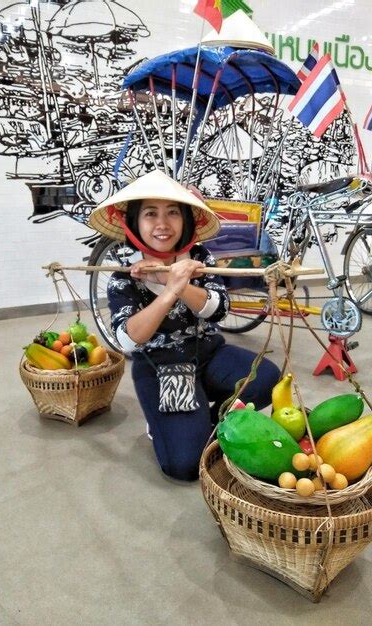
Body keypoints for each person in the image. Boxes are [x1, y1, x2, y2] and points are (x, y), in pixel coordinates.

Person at [89, 170, 280, 482]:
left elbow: (219, 311)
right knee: (186, 465)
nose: (162, 224)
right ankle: (172, 421)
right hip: (164, 369)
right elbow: (127, 341)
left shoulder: (200, 260)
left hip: (208, 355)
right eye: (150, 214)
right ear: (134, 223)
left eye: (173, 213)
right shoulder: (123, 278)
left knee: (268, 379)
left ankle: (205, 416)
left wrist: (173, 279)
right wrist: (169, 291)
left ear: (186, 220)